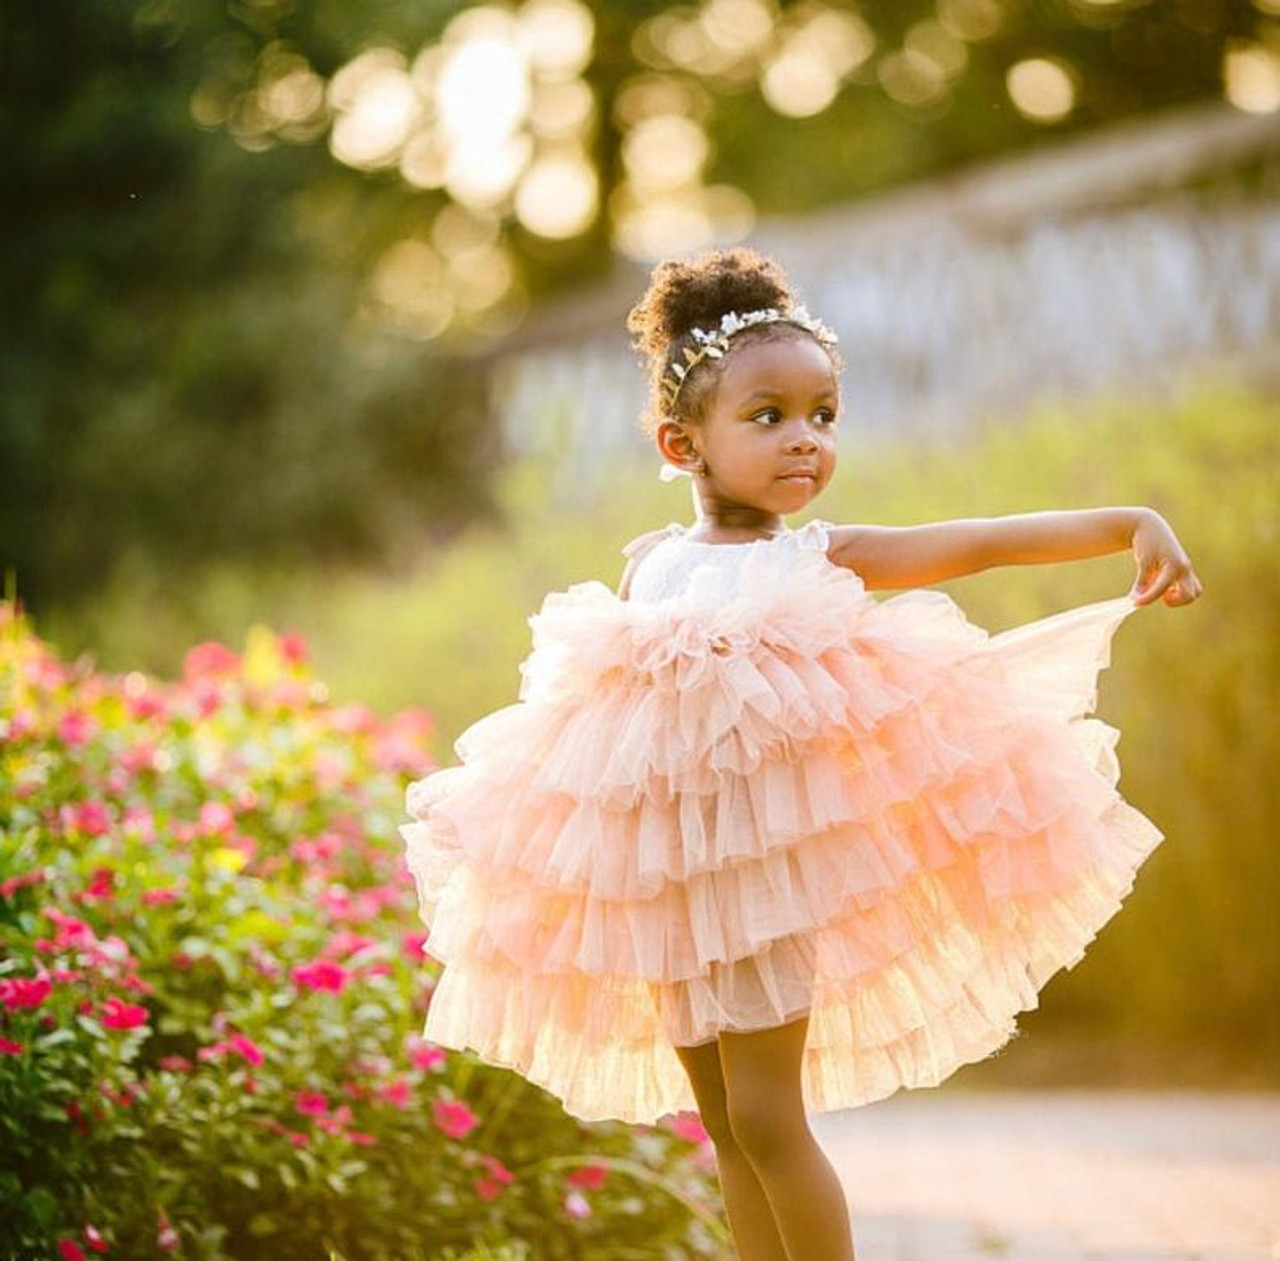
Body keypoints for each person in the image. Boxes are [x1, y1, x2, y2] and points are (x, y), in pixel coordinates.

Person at [399, 245, 1202, 1261]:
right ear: (679, 442)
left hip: (768, 878)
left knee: (770, 1114)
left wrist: (1130, 520)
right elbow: (593, 736)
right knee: (726, 1124)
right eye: (767, 415)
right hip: (664, 885)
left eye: (822, 415)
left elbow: (984, 538)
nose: (804, 440)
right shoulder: (650, 568)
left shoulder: (816, 557)